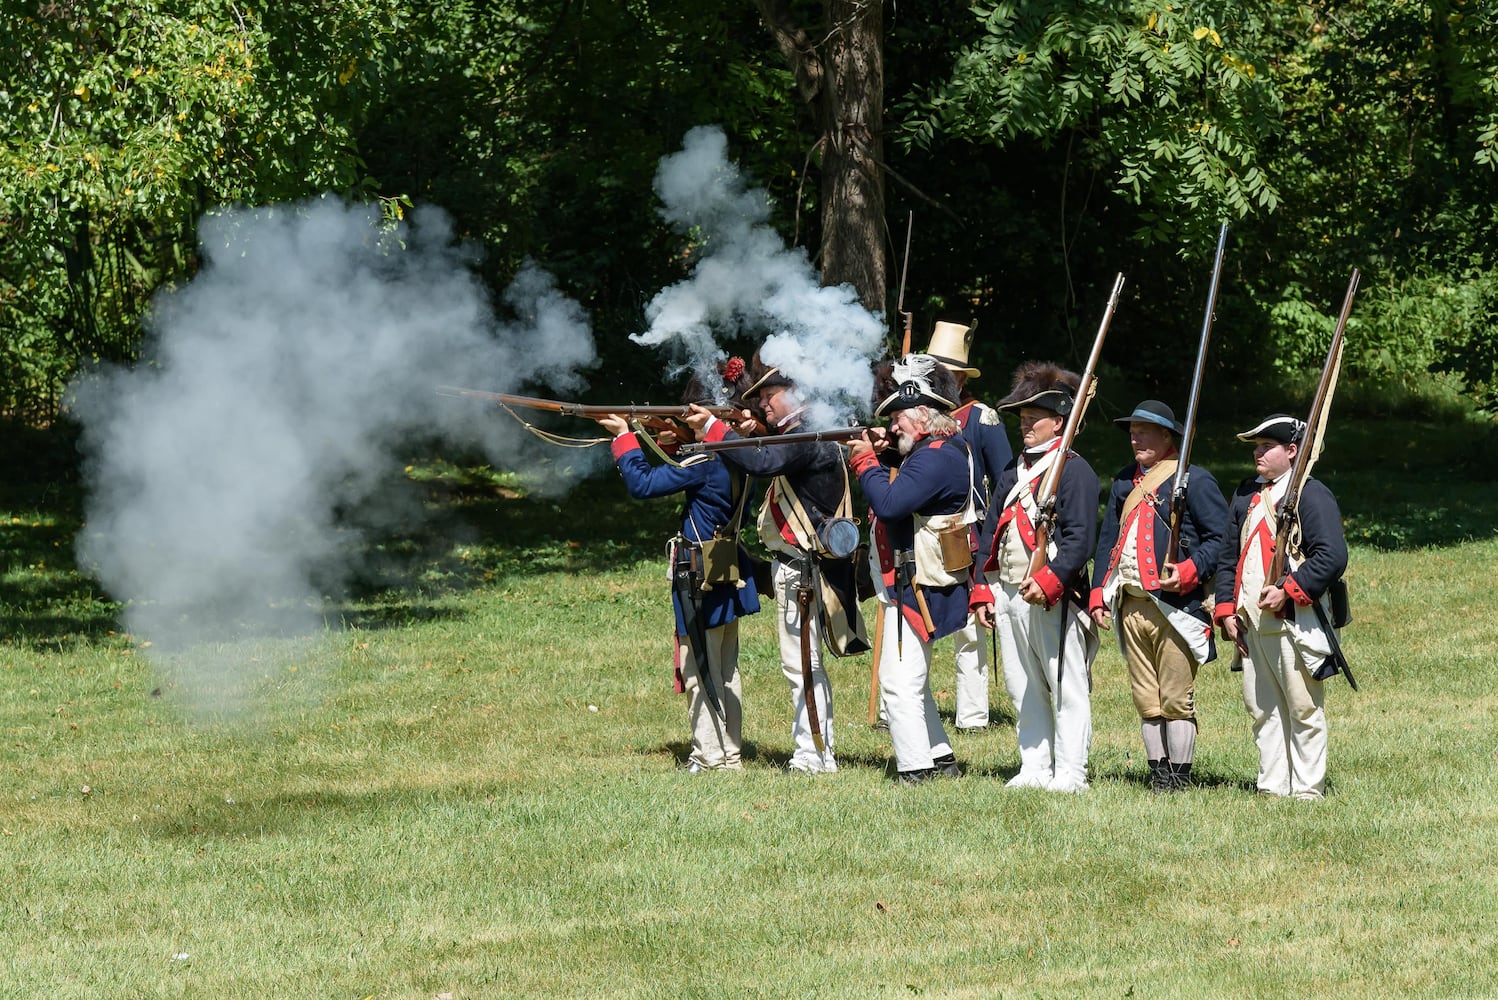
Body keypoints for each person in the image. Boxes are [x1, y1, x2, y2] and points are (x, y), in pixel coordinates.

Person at [684, 356, 868, 774]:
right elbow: (767, 455)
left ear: (798, 395)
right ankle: (813, 750)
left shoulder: (805, 435)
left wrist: (716, 429)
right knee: (801, 664)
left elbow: (763, 464)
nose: (764, 403)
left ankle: (814, 754)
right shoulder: (799, 433)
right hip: (797, 566)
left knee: (804, 664)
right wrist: (748, 433)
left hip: (804, 569)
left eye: (771, 395)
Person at [594, 363, 762, 772]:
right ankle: (730, 753)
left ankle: (709, 757)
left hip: (699, 572)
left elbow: (643, 484)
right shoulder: (739, 455)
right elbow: (685, 464)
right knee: (724, 667)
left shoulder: (707, 460)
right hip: (724, 566)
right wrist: (668, 437)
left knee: (699, 668)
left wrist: (623, 438)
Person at [971, 363, 1100, 792]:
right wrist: (982, 587)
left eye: (1034, 419)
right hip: (1008, 590)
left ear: (1058, 422)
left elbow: (1080, 540)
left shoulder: (1074, 470)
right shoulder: (1013, 469)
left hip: (1052, 595)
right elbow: (992, 530)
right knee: (1020, 683)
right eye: (1023, 419)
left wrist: (1052, 579)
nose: (1025, 425)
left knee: (1065, 682)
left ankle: (1070, 772)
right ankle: (1034, 766)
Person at [1090, 400, 1228, 791]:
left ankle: (1181, 778)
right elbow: (1107, 542)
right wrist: (1099, 589)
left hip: (1176, 607)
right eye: (1132, 431)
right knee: (1146, 699)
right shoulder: (1123, 482)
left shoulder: (1194, 480)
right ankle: (1159, 774)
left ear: (1168, 436)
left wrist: (1189, 570)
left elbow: (1220, 542)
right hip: (1131, 602)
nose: (1135, 438)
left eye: (1144, 431)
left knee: (1175, 698)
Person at [849, 355, 975, 783]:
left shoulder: (933, 458)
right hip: (917, 578)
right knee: (913, 681)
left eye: (899, 417)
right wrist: (887, 453)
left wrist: (866, 461)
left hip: (917, 582)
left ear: (923, 416)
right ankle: (939, 757)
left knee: (898, 683)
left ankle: (914, 769)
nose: (894, 425)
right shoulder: (935, 451)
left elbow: (888, 504)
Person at [1213, 414, 1348, 799]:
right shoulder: (1245, 493)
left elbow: (1332, 556)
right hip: (1250, 620)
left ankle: (1307, 789)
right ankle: (1273, 785)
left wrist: (1289, 588)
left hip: (1294, 619)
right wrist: (1225, 610)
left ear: (1291, 451)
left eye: (1265, 446)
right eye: (1256, 446)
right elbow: (1228, 556)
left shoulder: (1311, 493)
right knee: (1262, 708)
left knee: (1302, 706)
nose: (1257, 452)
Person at [922, 321, 1013, 732]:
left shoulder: (982, 417)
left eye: (941, 373)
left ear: (959, 378)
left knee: (971, 627)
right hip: (921, 532)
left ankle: (972, 715)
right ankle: (905, 705)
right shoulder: (917, 414)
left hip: (968, 531)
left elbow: (1005, 480)